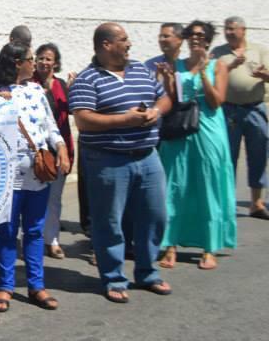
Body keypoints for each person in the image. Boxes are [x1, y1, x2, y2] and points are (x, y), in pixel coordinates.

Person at [68, 23, 172, 304]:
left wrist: (154, 111)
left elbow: (164, 99)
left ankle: (148, 273)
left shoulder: (141, 70)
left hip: (148, 156)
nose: (129, 44)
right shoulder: (88, 79)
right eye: (124, 40)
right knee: (109, 222)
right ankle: (114, 277)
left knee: (155, 216)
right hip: (108, 160)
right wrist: (125, 120)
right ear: (106, 45)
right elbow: (84, 120)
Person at [0, 44, 69, 313]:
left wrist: (61, 149)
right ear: (16, 63)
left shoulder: (37, 90)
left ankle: (37, 285)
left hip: (38, 175)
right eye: (29, 59)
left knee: (35, 231)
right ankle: (6, 286)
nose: (34, 63)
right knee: (8, 232)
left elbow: (50, 126)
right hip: (7, 177)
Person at [157, 21, 236, 270]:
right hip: (180, 130)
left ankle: (209, 247)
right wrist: (169, 81)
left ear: (208, 39)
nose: (195, 39)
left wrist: (202, 72)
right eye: (191, 34)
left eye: (201, 35)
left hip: (209, 130)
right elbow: (174, 100)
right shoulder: (176, 65)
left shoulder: (218, 65)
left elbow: (216, 102)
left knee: (208, 186)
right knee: (174, 185)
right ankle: (169, 244)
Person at [210, 16, 269, 219]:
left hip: (255, 108)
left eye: (232, 29)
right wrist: (232, 65)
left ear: (244, 30)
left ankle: (256, 203)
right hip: (229, 110)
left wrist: (264, 75)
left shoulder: (259, 50)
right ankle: (227, 203)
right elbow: (210, 75)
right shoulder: (218, 53)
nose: (228, 32)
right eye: (226, 29)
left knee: (258, 154)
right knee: (227, 157)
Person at [32, 43, 75, 260]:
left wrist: (74, 90)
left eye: (48, 59)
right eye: (40, 58)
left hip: (61, 147)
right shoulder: (29, 84)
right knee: (34, 197)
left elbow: (71, 112)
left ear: (55, 63)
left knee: (55, 197)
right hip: (36, 149)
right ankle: (35, 239)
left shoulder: (62, 85)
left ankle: (53, 240)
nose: (44, 62)